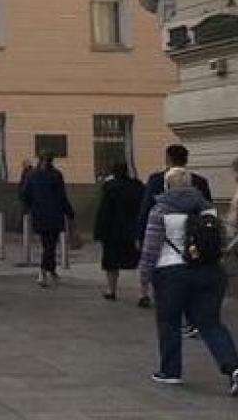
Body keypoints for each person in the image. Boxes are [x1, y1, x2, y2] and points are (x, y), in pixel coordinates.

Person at [138, 167, 238, 394]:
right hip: (210, 272)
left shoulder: (160, 211)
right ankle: (233, 369)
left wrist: (144, 278)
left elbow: (150, 249)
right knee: (211, 323)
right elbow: (222, 239)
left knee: (169, 322)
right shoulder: (208, 210)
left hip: (171, 272)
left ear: (166, 186)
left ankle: (171, 372)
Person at [136, 144, 214, 308]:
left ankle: (153, 295)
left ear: (168, 159)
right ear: (186, 160)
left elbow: (146, 208)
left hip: (165, 243)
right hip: (193, 241)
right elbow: (209, 212)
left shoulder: (156, 180)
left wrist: (140, 234)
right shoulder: (200, 182)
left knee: (168, 314)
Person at [94, 159, 145, 301]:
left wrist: (99, 232)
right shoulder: (138, 186)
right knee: (139, 262)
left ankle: (111, 290)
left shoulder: (109, 187)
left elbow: (104, 211)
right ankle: (143, 293)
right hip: (133, 230)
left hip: (112, 232)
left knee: (111, 263)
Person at [22, 152, 74, 287]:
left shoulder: (32, 175)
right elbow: (62, 196)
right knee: (50, 245)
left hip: (39, 214)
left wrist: (31, 207)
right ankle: (44, 271)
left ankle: (50, 270)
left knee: (47, 244)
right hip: (54, 214)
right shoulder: (56, 175)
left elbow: (25, 194)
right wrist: (70, 212)